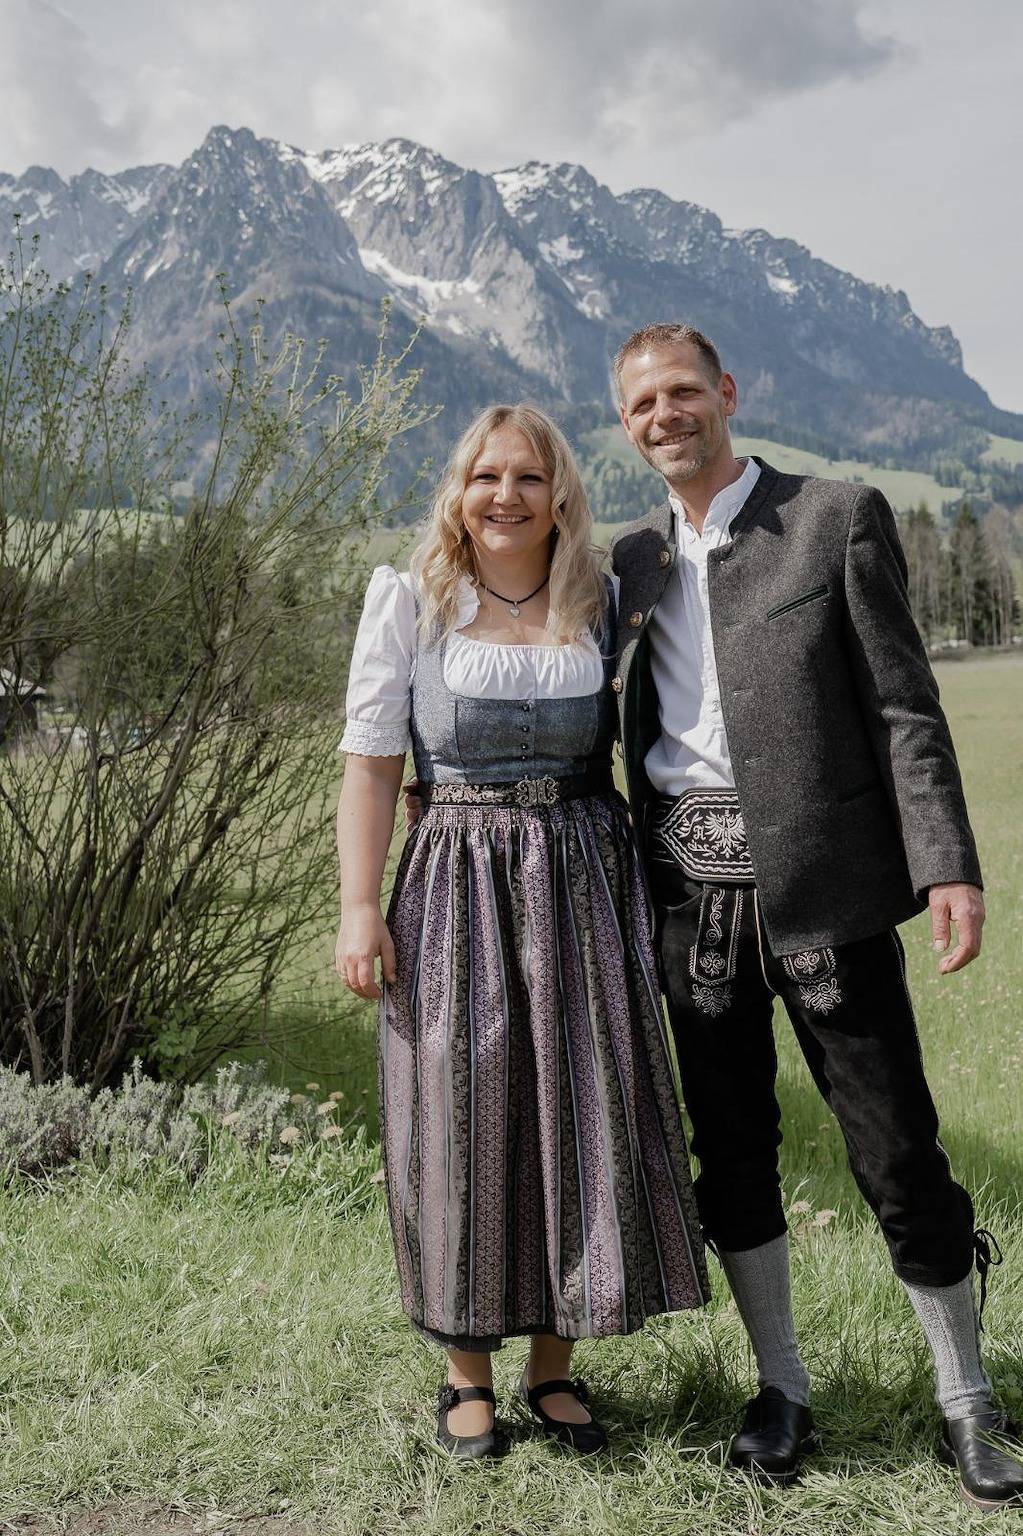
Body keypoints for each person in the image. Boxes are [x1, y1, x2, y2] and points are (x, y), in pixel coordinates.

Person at [607, 321, 1022, 1510]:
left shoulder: (834, 516)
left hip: (831, 892)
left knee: (897, 1152)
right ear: (628, 424)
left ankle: (967, 1401)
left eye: (683, 392)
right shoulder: (627, 562)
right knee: (731, 1152)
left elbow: (904, 705)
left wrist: (947, 864)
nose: (665, 415)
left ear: (726, 393)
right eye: (642, 404)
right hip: (691, 901)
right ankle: (781, 1389)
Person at [334, 403, 709, 1460]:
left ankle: (556, 1367)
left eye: (529, 478)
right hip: (453, 880)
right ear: (459, 492)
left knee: (580, 1108)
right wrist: (361, 907)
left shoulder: (604, 602)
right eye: (486, 477)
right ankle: (465, 1375)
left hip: (586, 878)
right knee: (459, 1117)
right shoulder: (413, 602)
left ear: (561, 495)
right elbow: (369, 769)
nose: (507, 496)